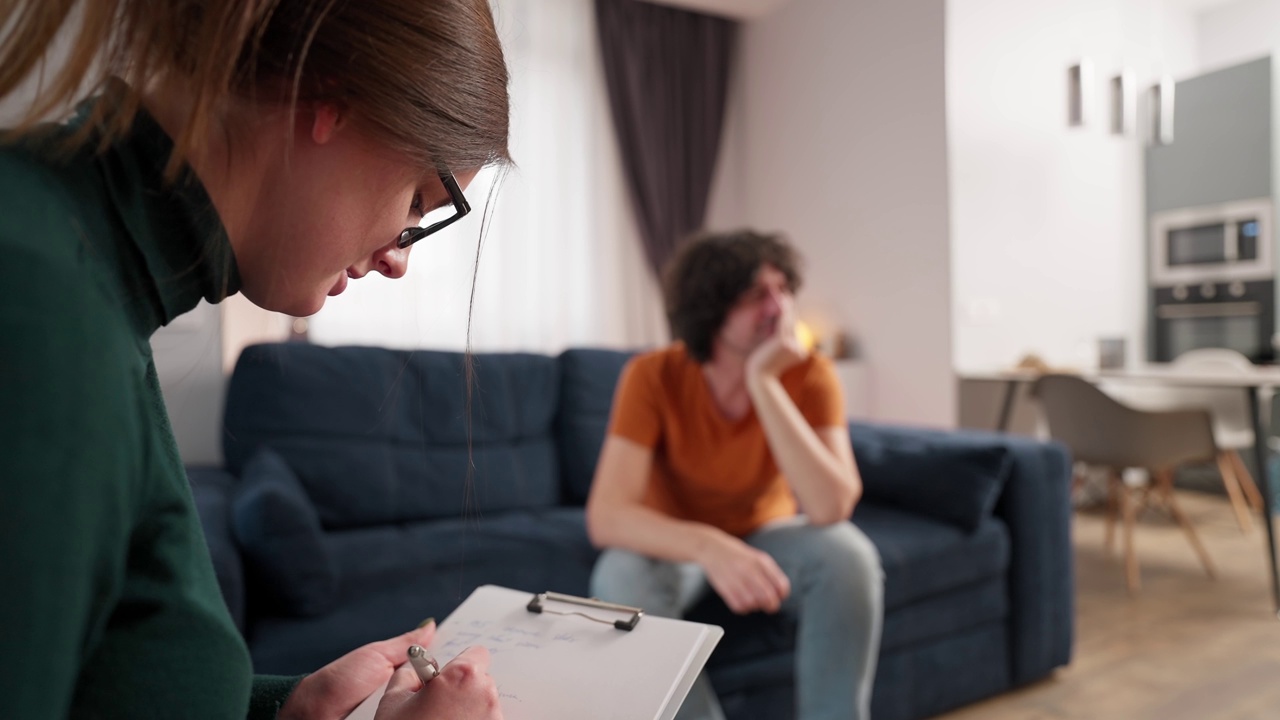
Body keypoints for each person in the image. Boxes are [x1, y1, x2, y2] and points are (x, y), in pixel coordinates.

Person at [0, 0, 510, 717]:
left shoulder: (86, 275)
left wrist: (292, 707)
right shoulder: (38, 306)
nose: (399, 256)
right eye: (420, 202)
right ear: (331, 99)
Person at [585, 230, 884, 720]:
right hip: (677, 544)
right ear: (711, 311)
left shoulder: (810, 375)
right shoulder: (653, 376)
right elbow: (608, 516)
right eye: (755, 296)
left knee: (850, 555)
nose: (778, 306)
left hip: (766, 532)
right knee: (619, 574)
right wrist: (709, 545)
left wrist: (764, 382)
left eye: (784, 290)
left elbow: (832, 506)